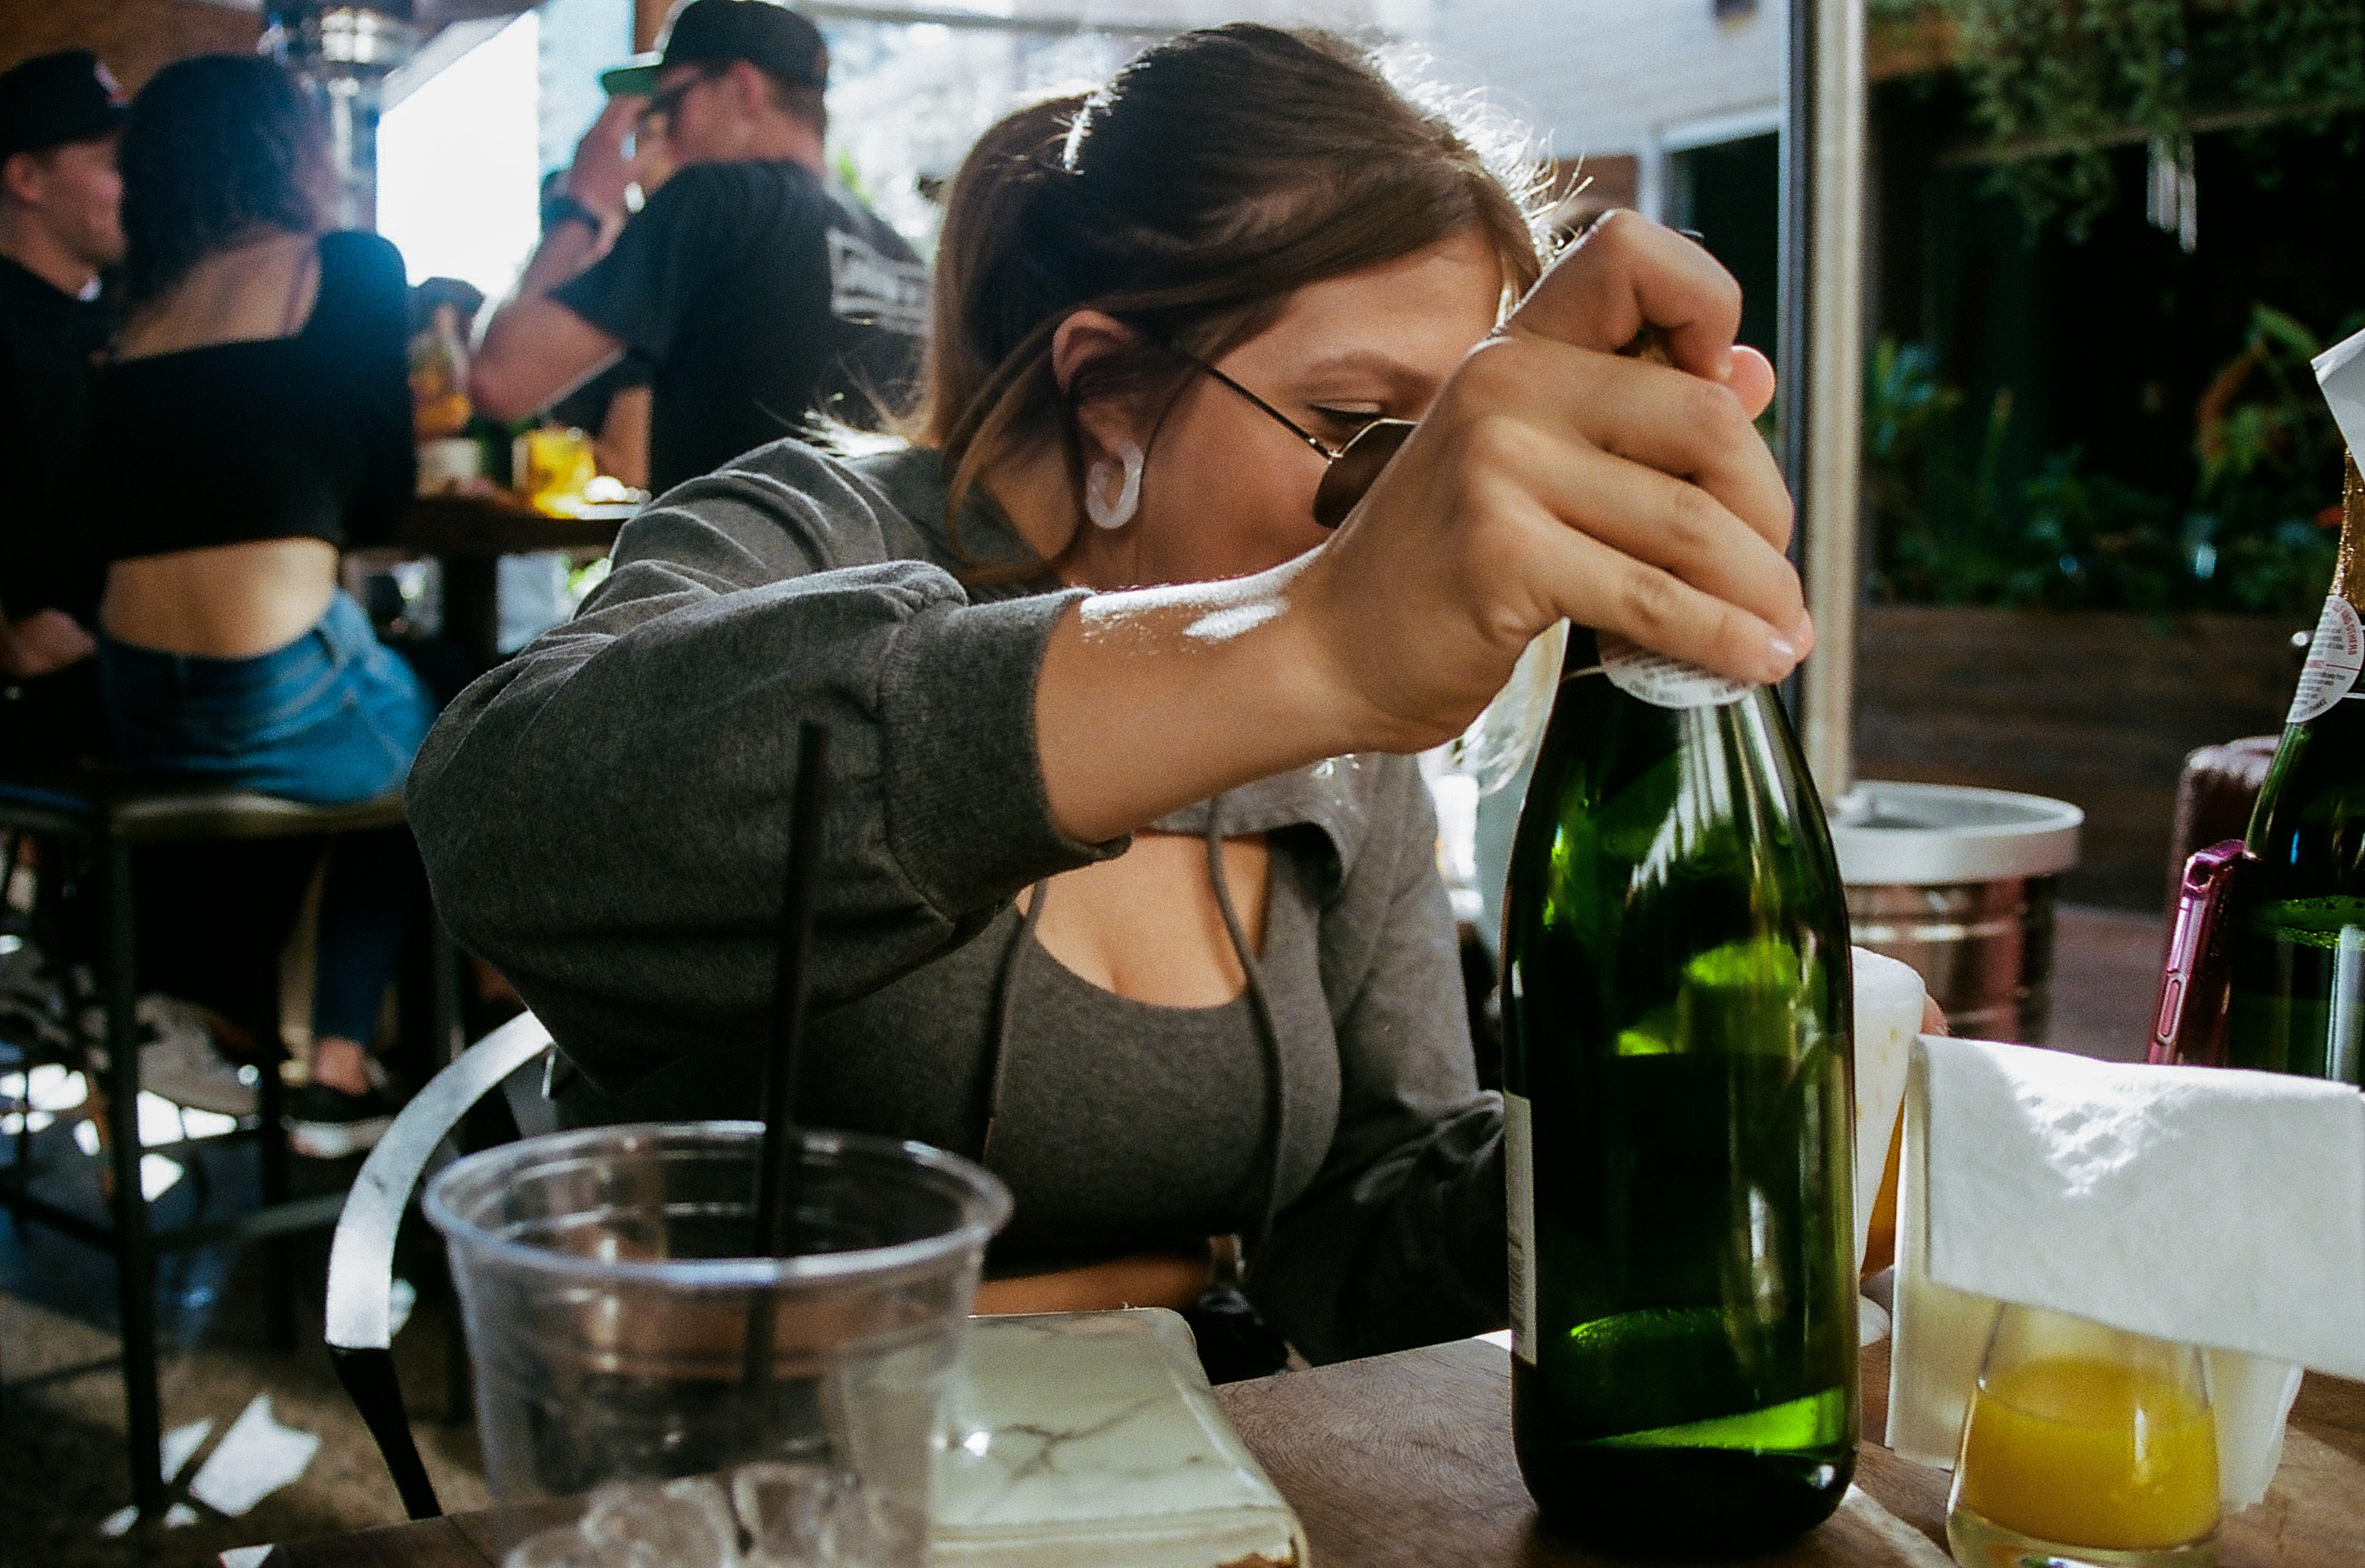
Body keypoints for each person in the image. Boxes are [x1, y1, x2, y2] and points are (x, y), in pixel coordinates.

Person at [410, 26, 1806, 1365]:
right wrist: (1300, 646)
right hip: (783, 1485)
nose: (1411, 525)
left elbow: (1361, 1232)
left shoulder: (1342, 704)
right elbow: (508, 815)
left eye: (1444, 459)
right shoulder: (812, 535)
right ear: (1110, 390)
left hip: (1186, 1473)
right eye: (1353, 430)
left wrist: (1657, 1133)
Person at [86, 55, 437, 1157]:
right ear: (293, 153)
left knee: (371, 695)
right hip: (278, 690)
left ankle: (183, 1000)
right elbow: (385, 501)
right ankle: (339, 1060)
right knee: (451, 739)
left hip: (135, 702)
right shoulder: (347, 268)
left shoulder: (133, 312)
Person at [468, 0, 926, 495]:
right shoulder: (901, 256)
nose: (661, 136)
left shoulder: (714, 199)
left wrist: (581, 205)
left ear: (742, 90)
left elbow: (501, 379)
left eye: (670, 104)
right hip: (878, 570)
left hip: (730, 568)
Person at [0, 51, 125, 761]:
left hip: (119, 656)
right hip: (48, 685)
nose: (135, 185)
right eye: (111, 162)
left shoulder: (120, 319)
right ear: (25, 178)